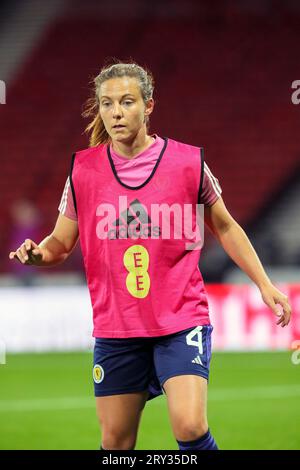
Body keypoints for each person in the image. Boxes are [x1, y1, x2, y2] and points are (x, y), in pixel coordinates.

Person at [9, 61, 292, 451]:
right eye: (107, 104)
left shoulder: (188, 163)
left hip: (180, 319)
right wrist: (37, 255)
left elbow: (225, 226)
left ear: (149, 105)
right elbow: (59, 243)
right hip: (117, 327)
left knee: (190, 427)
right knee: (115, 443)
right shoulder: (83, 172)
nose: (116, 112)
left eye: (127, 102)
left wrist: (264, 284)